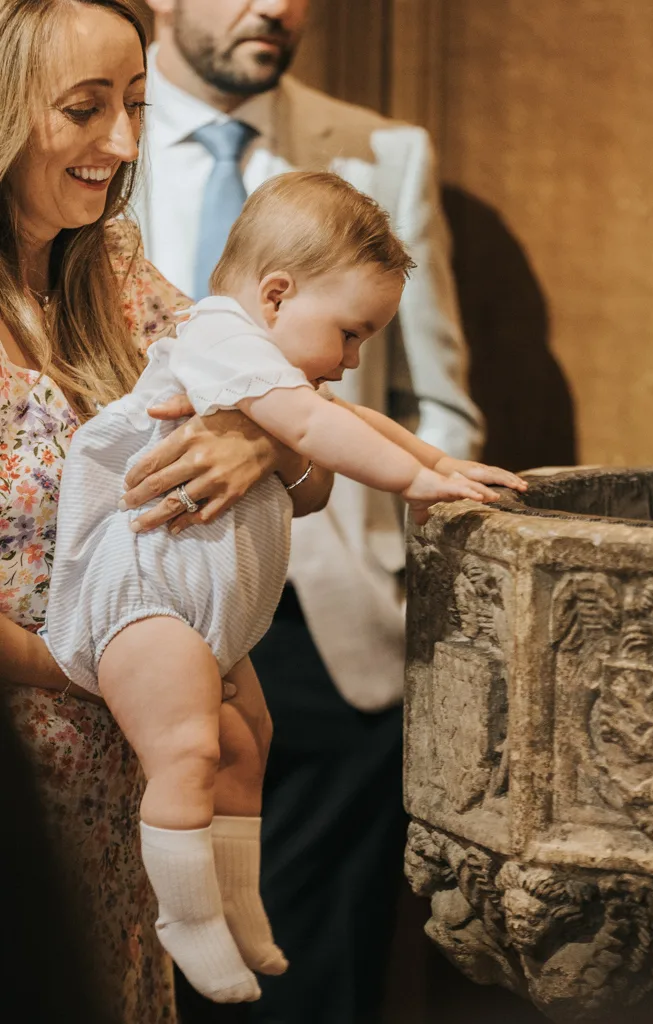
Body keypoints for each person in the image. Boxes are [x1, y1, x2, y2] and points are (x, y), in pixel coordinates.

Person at [44, 169, 525, 1005]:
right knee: (190, 751)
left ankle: (235, 907)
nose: (353, 357)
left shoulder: (265, 357)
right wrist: (412, 489)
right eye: (348, 334)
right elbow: (311, 428)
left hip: (204, 615)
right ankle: (183, 924)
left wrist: (439, 460)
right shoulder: (221, 338)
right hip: (146, 600)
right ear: (275, 294)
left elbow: (354, 422)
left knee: (245, 745)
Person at [138, 2, 485, 1020]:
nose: (277, 6)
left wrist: (415, 498)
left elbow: (435, 398)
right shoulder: (66, 143)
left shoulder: (382, 152)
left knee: (312, 974)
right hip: (152, 589)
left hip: (330, 632)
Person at [0, 2, 332, 1022]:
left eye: (136, 104)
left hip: (134, 789)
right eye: (85, 109)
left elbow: (312, 463)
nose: (123, 145)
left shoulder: (114, 276)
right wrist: (102, 662)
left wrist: (258, 441)